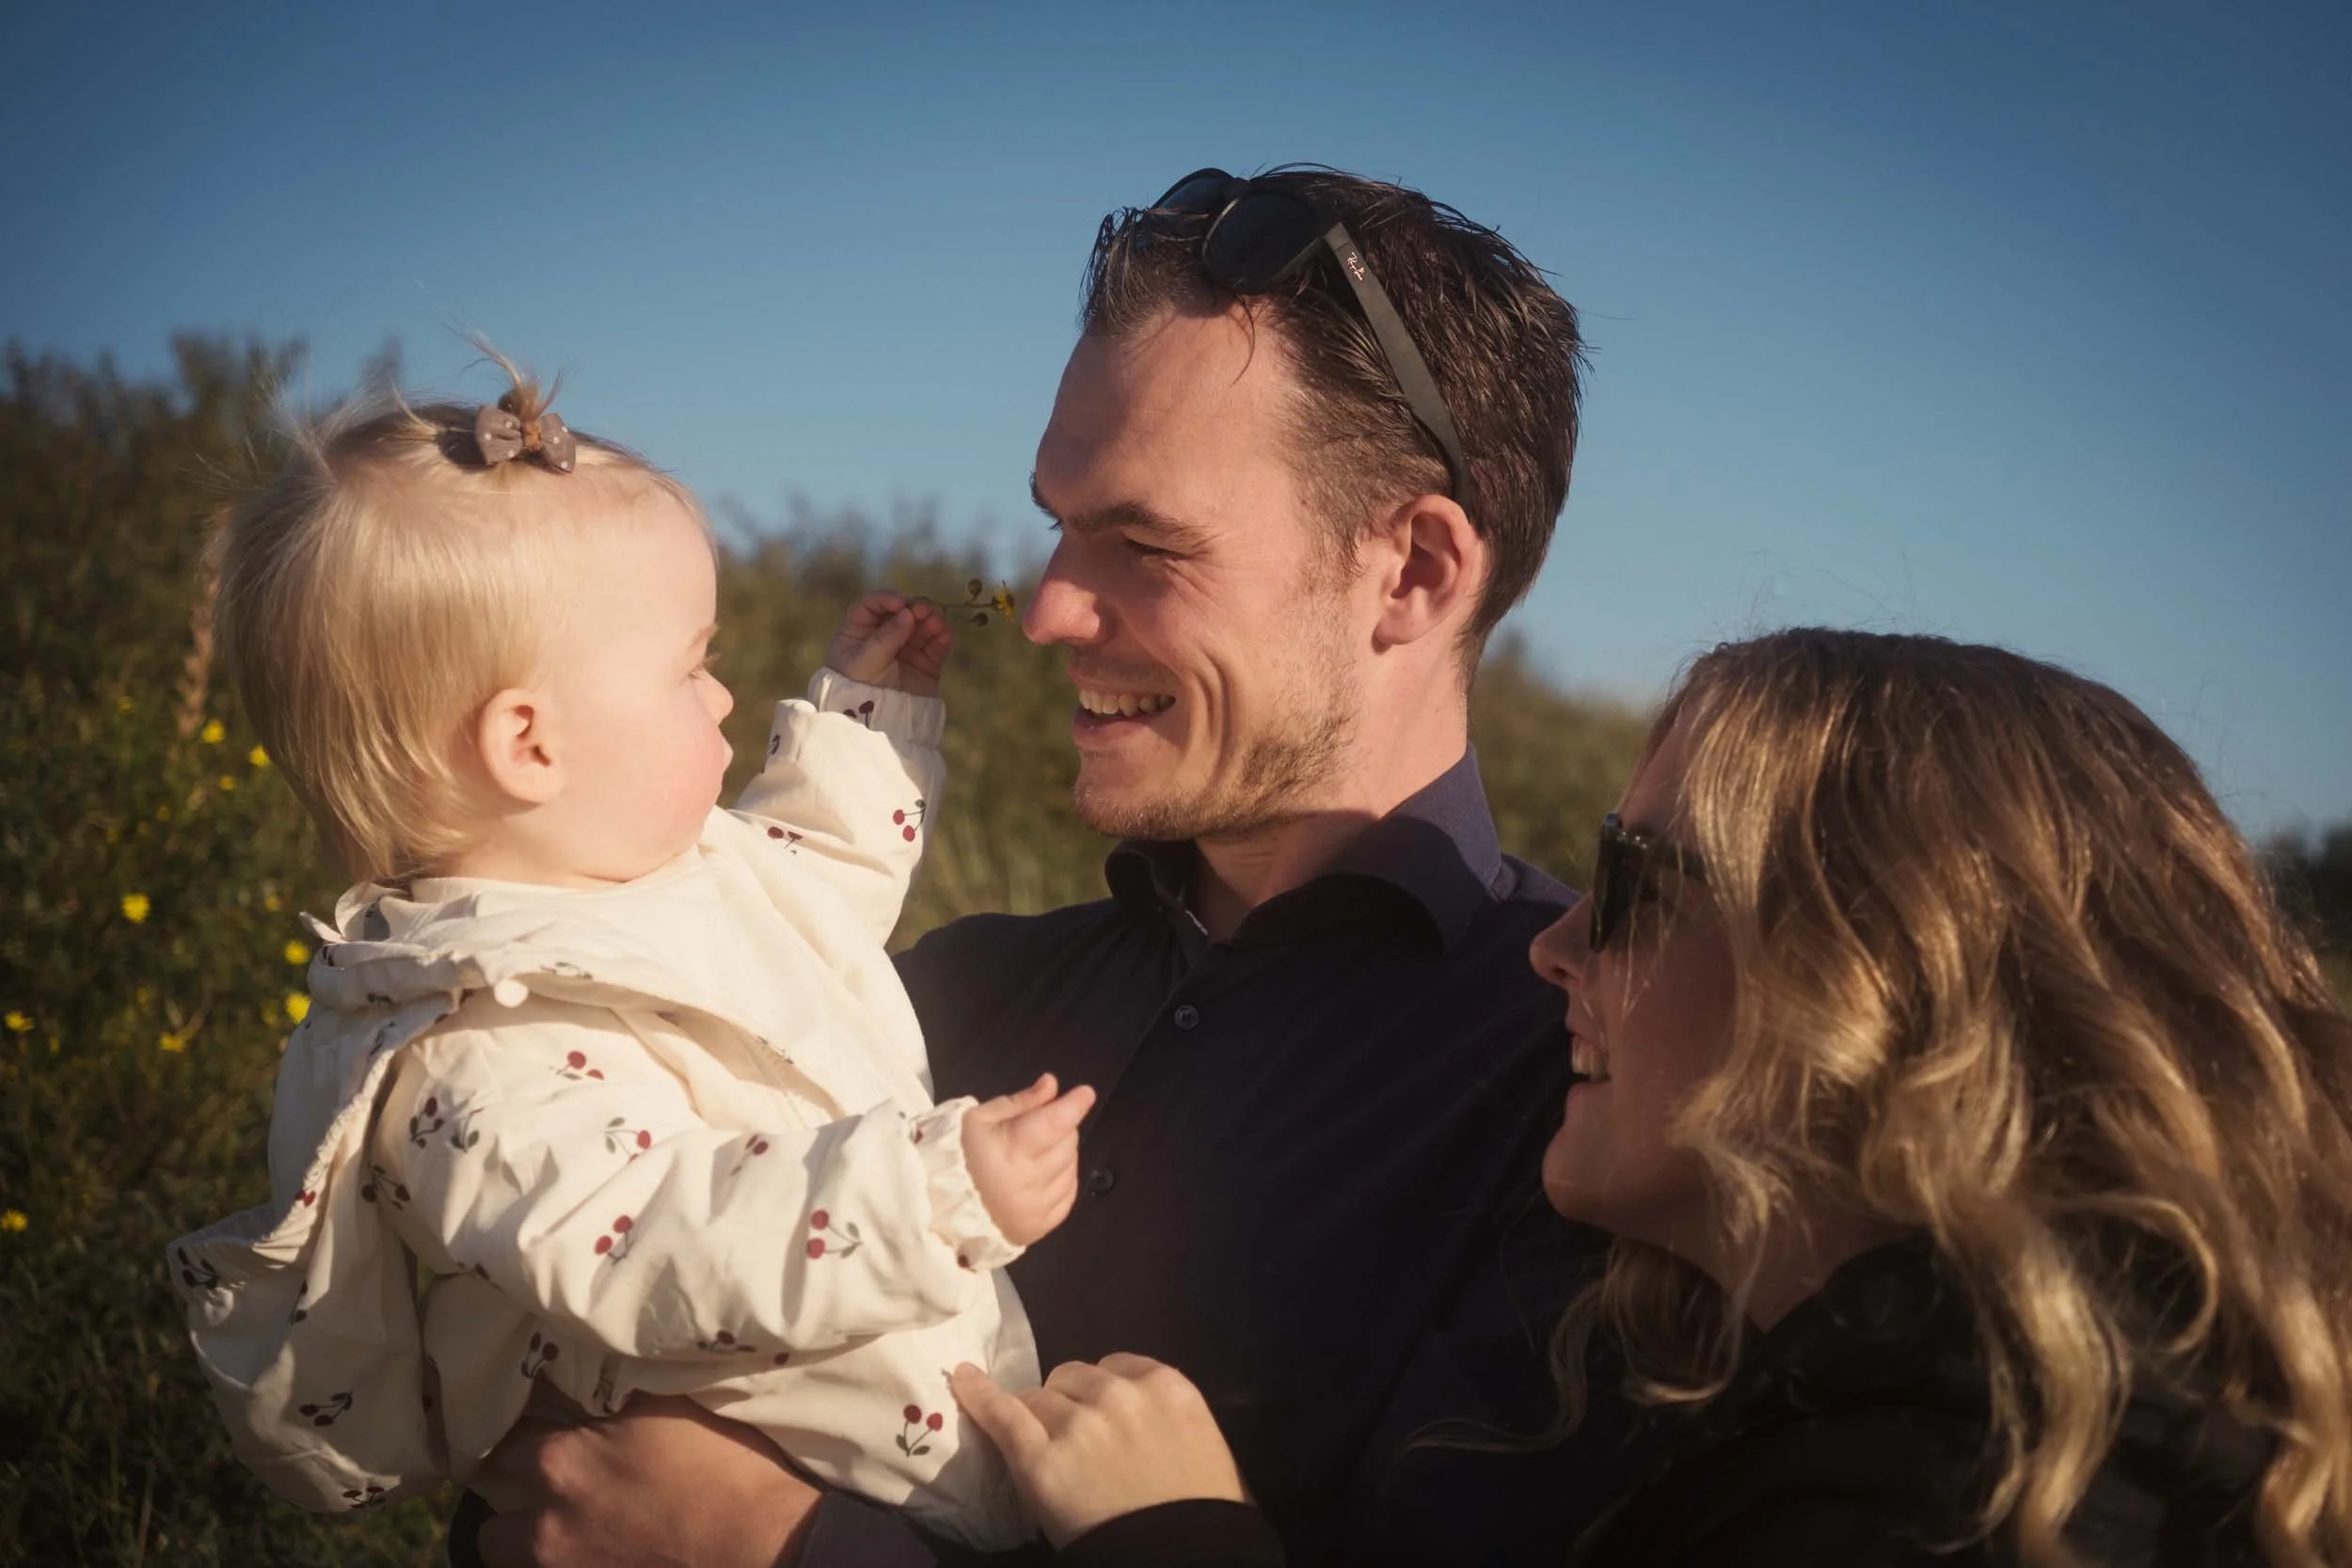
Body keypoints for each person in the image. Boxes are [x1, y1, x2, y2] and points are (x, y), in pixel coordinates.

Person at [461, 167, 1644, 1566]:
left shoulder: (1587, 1094)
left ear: (1414, 573)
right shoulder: (929, 998)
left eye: (1144, 543)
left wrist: (778, 1543)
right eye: (1058, 525)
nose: (1050, 611)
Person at [951, 628, 2352, 1568]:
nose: (1557, 946)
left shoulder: (1966, 1500)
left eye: (1634, 885)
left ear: (1882, 971)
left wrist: (1177, 1534)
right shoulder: (2044, 1420)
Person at [166, 365, 1096, 1550]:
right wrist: (929, 1194)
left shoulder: (654, 875)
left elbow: (806, 884)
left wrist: (864, 722)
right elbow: (648, 1237)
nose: (720, 697)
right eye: (688, 667)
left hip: (889, 1449)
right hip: (780, 1497)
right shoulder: (474, 1051)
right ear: (529, 743)